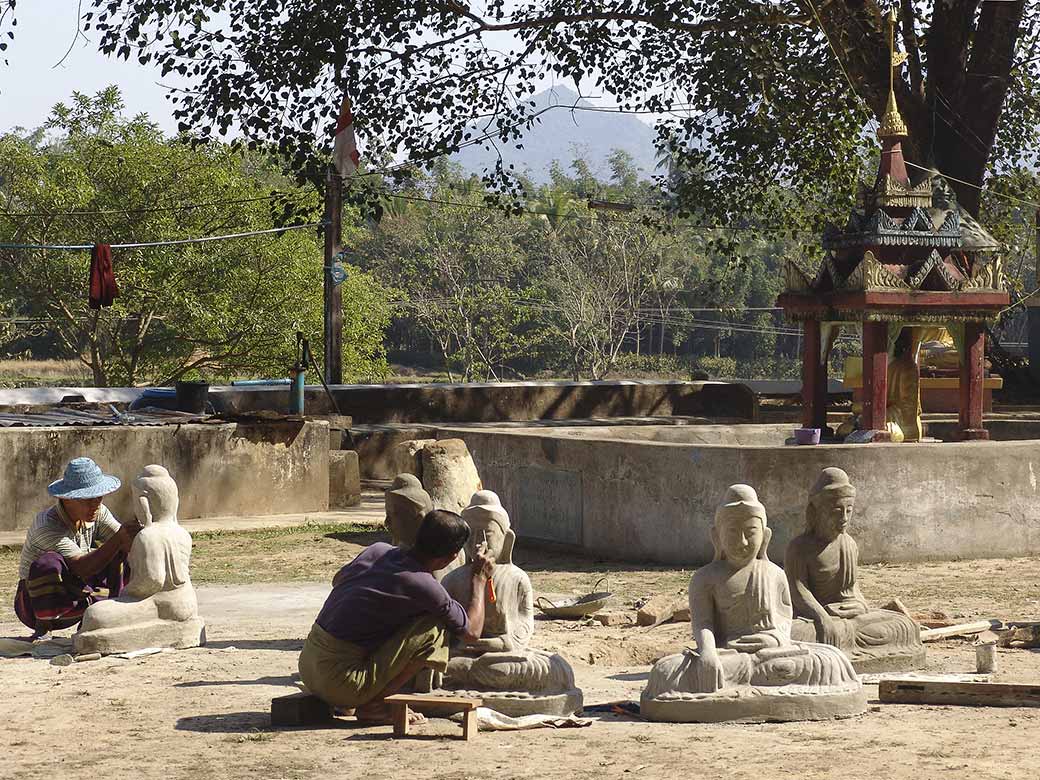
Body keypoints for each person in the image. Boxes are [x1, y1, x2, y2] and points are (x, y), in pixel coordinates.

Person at [298, 508, 494, 724]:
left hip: (308, 666)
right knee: (434, 629)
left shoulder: (377, 550)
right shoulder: (424, 586)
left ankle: (355, 698)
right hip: (341, 682)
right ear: (452, 557)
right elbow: (472, 633)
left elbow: (338, 580)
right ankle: (376, 705)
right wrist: (479, 579)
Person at [15, 457, 140, 638]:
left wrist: (140, 536)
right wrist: (120, 537)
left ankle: (105, 617)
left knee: (119, 552)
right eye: (87, 500)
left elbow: (126, 544)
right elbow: (82, 567)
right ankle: (44, 627)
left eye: (98, 498)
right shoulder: (47, 526)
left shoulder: (98, 512)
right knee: (49, 562)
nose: (95, 505)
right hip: (35, 605)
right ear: (66, 499)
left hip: (79, 592)